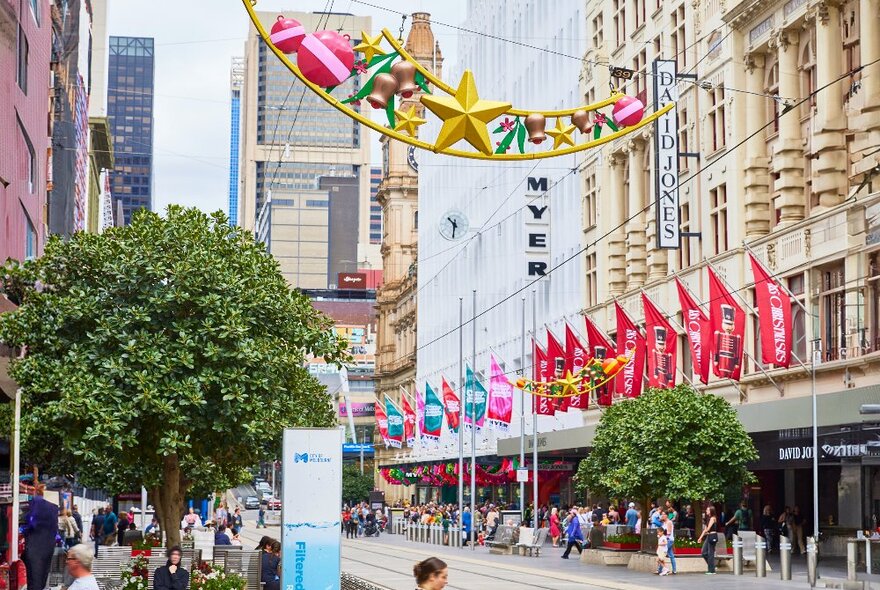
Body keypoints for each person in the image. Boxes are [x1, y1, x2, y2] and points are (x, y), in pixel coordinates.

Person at [22, 495, 59, 590]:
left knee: (35, 576)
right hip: (46, 545)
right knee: (41, 576)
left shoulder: (37, 509)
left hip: (35, 547)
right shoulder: (52, 511)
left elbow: (29, 522)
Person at [697, 506, 718, 575]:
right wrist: (700, 538)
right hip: (708, 536)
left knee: (710, 553)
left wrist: (706, 531)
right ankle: (712, 566)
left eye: (707, 510)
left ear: (711, 511)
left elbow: (708, 529)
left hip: (712, 536)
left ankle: (711, 570)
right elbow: (705, 529)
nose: (706, 511)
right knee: (703, 552)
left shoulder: (712, 518)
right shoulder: (708, 519)